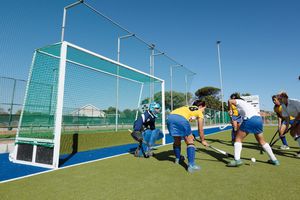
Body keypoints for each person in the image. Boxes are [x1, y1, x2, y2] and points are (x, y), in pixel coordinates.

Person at [227, 94, 279, 167]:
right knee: (262, 141)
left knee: (238, 139)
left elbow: (230, 101)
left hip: (250, 119)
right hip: (258, 119)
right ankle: (274, 160)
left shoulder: (239, 101)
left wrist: (229, 110)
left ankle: (237, 160)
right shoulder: (244, 106)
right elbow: (238, 117)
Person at [167, 100, 208, 173]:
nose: (203, 111)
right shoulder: (199, 111)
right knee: (190, 141)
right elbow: (200, 129)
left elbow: (184, 117)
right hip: (181, 119)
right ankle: (191, 165)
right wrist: (203, 140)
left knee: (177, 140)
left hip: (170, 117)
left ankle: (177, 159)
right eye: (204, 109)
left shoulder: (186, 107)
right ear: (200, 106)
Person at [277, 92, 300, 157]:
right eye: (278, 99)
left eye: (280, 99)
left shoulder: (294, 102)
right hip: (298, 119)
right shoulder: (283, 106)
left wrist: (295, 122)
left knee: (298, 131)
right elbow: (287, 119)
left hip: (298, 118)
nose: (279, 100)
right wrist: (285, 129)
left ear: (285, 97)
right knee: (292, 132)